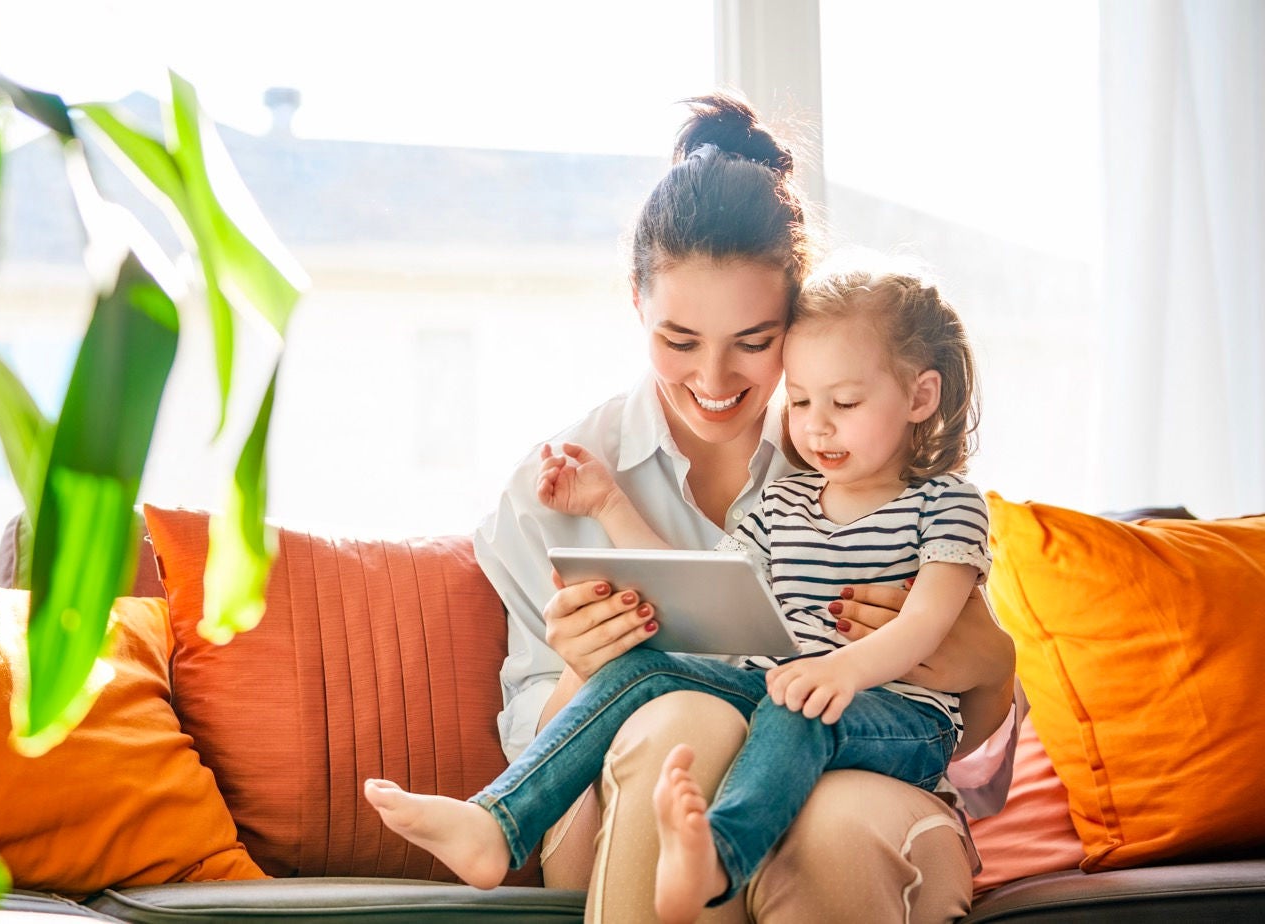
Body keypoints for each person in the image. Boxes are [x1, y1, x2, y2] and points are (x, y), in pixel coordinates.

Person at [367, 92, 1018, 922]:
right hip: (611, 801)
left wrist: (991, 667)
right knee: (685, 718)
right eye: (679, 342)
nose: (715, 383)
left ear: (801, 319)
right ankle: (532, 830)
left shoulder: (871, 455)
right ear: (636, 305)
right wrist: (580, 666)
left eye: (755, 342)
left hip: (858, 762)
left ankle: (722, 854)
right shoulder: (559, 487)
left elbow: (982, 772)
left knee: (837, 821)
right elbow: (549, 743)